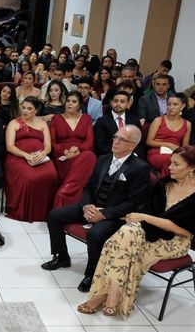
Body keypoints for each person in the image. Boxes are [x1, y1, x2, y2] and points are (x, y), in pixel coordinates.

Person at [78, 146, 195, 316]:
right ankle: (111, 296)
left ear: (191, 168)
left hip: (175, 241)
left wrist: (145, 218)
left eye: (176, 165)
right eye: (170, 163)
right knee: (124, 235)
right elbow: (147, 210)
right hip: (151, 232)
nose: (170, 167)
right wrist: (137, 218)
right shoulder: (165, 184)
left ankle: (103, 295)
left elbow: (187, 232)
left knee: (123, 248)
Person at [43, 125, 150, 292]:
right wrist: (86, 205)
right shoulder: (103, 159)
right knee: (54, 216)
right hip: (92, 206)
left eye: (122, 139)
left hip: (115, 215)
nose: (115, 141)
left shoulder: (140, 168)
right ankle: (62, 256)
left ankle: (91, 274)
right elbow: (88, 187)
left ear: (132, 145)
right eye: (115, 137)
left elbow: (133, 203)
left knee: (95, 234)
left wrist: (104, 214)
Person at [4, 96, 58, 222]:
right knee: (30, 177)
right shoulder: (14, 123)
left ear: (36, 110)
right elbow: (10, 146)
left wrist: (44, 153)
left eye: (29, 108)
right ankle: (25, 213)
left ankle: (44, 212)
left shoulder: (42, 124)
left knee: (52, 174)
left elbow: (48, 145)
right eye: (23, 108)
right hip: (18, 157)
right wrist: (26, 155)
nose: (25, 111)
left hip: (40, 156)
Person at [50, 91, 97, 207]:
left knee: (89, 156)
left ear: (79, 105)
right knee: (86, 160)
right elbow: (52, 141)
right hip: (63, 156)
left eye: (74, 102)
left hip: (82, 154)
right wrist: (65, 151)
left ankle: (65, 193)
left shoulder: (86, 119)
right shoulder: (56, 119)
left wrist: (78, 151)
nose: (70, 104)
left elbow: (89, 141)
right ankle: (68, 199)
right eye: (68, 101)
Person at [146, 93, 191, 177]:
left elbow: (185, 147)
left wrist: (177, 150)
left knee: (184, 161)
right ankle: (164, 185)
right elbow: (149, 141)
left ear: (183, 106)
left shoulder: (187, 124)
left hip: (175, 153)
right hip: (157, 152)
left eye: (175, 104)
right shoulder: (158, 120)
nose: (171, 107)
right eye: (169, 104)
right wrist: (169, 144)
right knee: (172, 160)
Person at [93, 91, 142, 156]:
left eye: (122, 102)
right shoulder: (101, 121)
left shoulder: (134, 120)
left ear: (128, 104)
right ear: (111, 103)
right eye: (115, 101)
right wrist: (118, 155)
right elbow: (100, 145)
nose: (118, 104)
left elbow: (139, 142)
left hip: (131, 157)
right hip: (110, 156)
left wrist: (132, 154)